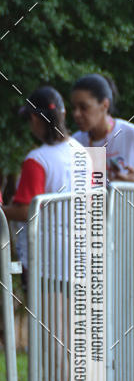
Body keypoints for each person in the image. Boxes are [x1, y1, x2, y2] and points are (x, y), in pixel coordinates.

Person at [70, 74, 134, 270]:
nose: (76, 114)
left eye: (84, 107)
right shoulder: (75, 143)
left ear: (105, 105)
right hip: (96, 243)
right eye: (73, 107)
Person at [3, 86, 85, 286]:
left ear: (34, 119)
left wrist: (2, 211)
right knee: (69, 317)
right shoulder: (83, 152)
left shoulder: (37, 159)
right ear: (63, 114)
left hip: (44, 262)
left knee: (46, 317)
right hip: (79, 258)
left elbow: (25, 211)